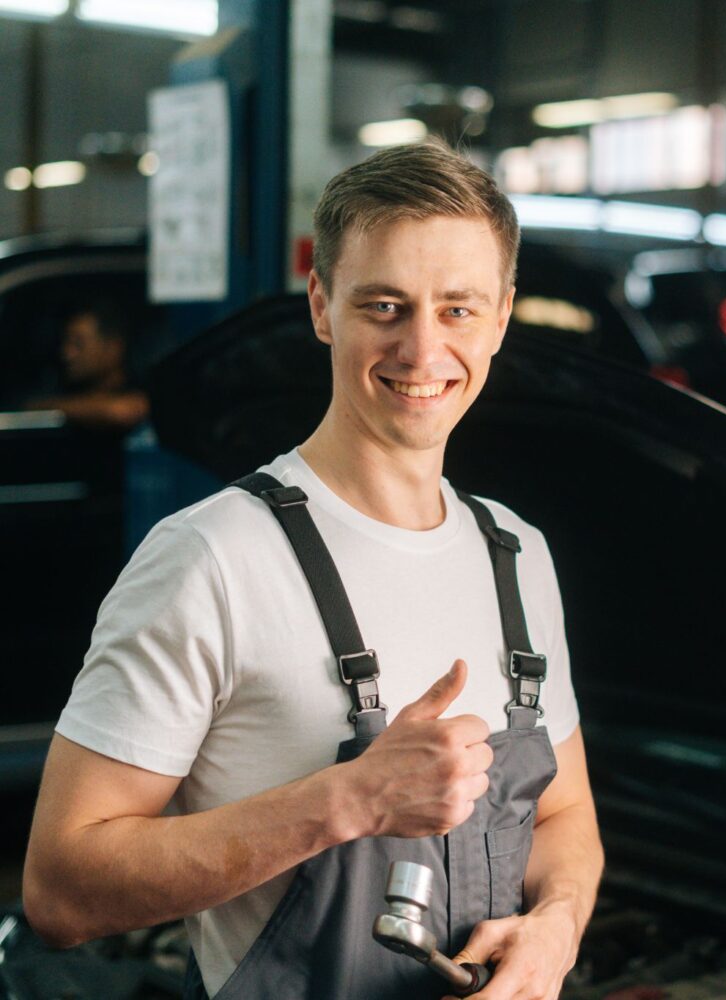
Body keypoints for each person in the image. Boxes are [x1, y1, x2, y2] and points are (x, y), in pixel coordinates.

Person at [23, 140, 604, 1000]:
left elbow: (564, 819)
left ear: (502, 318)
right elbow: (60, 890)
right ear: (322, 305)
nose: (421, 349)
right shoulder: (212, 559)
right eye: (384, 305)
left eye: (457, 310)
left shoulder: (516, 555)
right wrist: (347, 801)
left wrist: (553, 929)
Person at [25, 298, 150, 431]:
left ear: (113, 348)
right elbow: (31, 407)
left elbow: (122, 411)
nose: (67, 354)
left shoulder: (141, 386)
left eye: (78, 344)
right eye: (65, 342)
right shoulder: (62, 388)